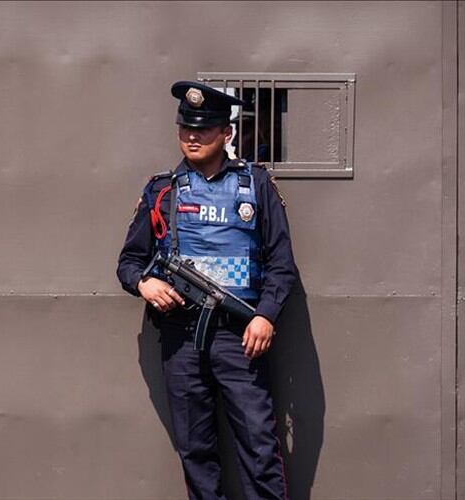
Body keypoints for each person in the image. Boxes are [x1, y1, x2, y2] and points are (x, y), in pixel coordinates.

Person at [117, 81, 297, 500]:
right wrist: (145, 282)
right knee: (196, 452)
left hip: (241, 338)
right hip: (181, 337)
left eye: (204, 129)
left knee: (259, 448)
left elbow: (281, 265)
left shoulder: (255, 186)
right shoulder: (162, 191)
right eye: (185, 129)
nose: (192, 137)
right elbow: (128, 261)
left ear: (227, 134)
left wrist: (265, 315)